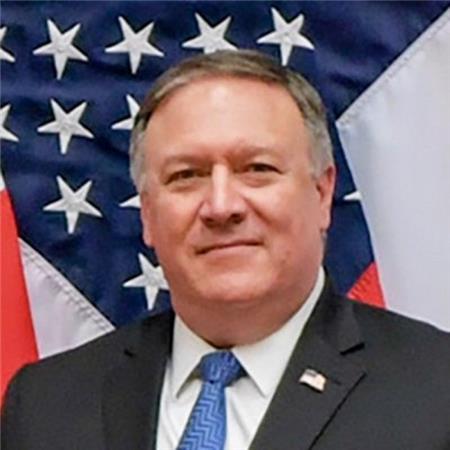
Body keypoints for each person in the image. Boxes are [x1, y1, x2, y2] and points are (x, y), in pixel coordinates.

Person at [2, 50, 450, 450]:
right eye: (186, 175)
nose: (221, 206)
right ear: (148, 213)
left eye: (257, 169)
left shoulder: (436, 390)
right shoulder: (46, 405)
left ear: (321, 193)